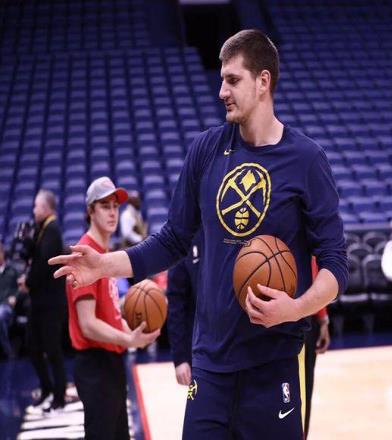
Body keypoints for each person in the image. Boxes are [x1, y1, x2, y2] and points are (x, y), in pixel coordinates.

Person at [50, 29, 348, 439]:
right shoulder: (205, 150)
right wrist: (104, 265)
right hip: (210, 367)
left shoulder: (306, 160)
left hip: (274, 362)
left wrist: (296, 308)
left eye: (233, 80)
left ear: (263, 81)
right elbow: (172, 240)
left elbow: (335, 265)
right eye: (221, 80)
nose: (222, 91)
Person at [66, 177, 159, 439]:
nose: (112, 212)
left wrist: (132, 323)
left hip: (112, 363)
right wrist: (128, 339)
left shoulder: (105, 254)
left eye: (115, 206)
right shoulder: (84, 254)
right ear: (90, 211)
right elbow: (87, 324)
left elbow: (107, 312)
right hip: (95, 364)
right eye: (104, 206)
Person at [20, 189, 67, 413]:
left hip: (50, 303)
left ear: (46, 207)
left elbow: (44, 264)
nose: (33, 210)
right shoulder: (42, 229)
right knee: (33, 347)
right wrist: (27, 245)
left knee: (53, 350)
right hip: (38, 302)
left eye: (36, 206)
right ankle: (47, 388)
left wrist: (28, 282)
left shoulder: (53, 229)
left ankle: (59, 397)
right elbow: (34, 258)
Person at [166, 233, 202, 386]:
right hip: (199, 350)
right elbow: (176, 304)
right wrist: (180, 357)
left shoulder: (234, 236)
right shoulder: (184, 241)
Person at [304, 258, 330, 438]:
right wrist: (322, 318)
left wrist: (322, 318)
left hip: (304, 318)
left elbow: (315, 272)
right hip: (302, 317)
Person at [0, 242, 19, 358]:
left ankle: (7, 350)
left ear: (2, 253)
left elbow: (20, 288)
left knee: (0, 315)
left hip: (6, 305)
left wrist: (15, 297)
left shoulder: (12, 270)